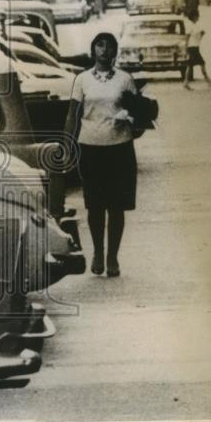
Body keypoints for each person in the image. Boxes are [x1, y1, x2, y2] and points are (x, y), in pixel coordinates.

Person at [62, 32, 139, 278]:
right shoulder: (82, 80)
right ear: (93, 49)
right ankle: (97, 252)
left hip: (120, 147)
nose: (104, 50)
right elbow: (73, 115)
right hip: (91, 148)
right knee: (95, 205)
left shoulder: (126, 79)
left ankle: (112, 256)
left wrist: (129, 119)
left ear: (115, 51)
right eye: (99, 45)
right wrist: (67, 144)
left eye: (109, 46)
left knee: (117, 205)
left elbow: (139, 113)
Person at [183, 14, 211, 89]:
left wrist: (202, 34)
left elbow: (198, 38)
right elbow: (187, 38)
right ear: (194, 17)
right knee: (202, 63)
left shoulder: (195, 26)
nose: (198, 17)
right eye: (197, 16)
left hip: (195, 47)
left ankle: (186, 82)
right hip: (192, 48)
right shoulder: (190, 25)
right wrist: (186, 49)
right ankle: (208, 81)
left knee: (190, 65)